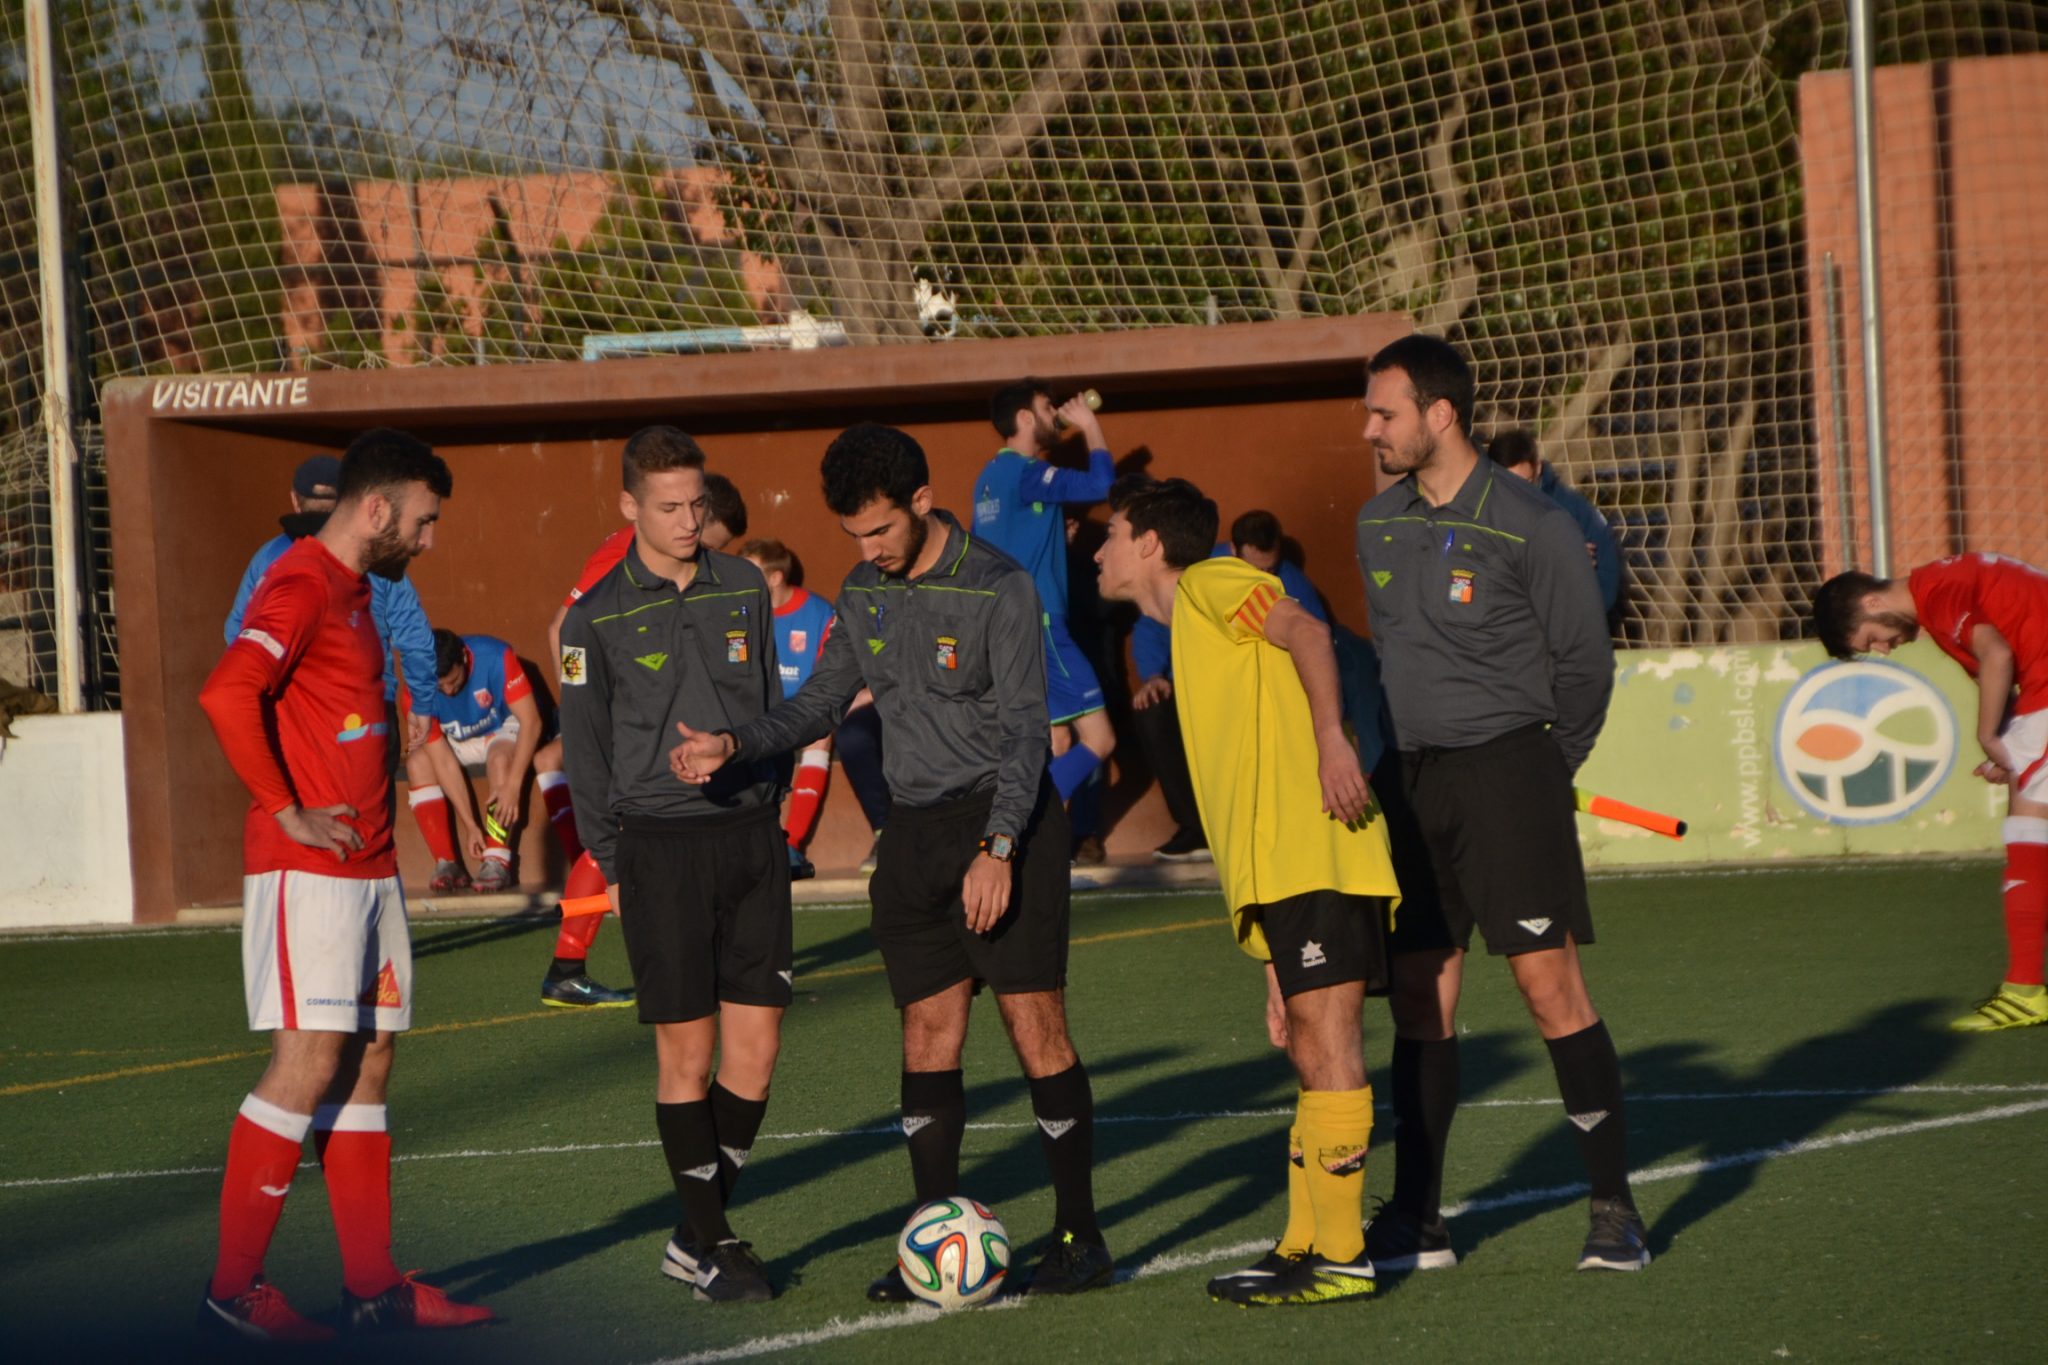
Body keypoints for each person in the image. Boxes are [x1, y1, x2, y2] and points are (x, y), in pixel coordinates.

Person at [672, 423, 1113, 1300]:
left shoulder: (999, 586)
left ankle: (1079, 1237)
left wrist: (999, 848)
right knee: (926, 1035)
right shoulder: (863, 590)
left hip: (1004, 825)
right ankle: (931, 1244)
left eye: (880, 529)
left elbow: (1028, 732)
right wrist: (737, 741)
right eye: (853, 535)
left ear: (922, 500)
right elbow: (820, 703)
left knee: (1036, 1028)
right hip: (913, 838)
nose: (867, 549)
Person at [1354, 334, 1646, 1273]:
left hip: (1512, 775)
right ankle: (1418, 1218)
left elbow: (1585, 666)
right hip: (1411, 784)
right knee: (1418, 995)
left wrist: (1543, 770)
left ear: (1440, 414)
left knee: (1547, 985)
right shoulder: (1376, 523)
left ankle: (1614, 1209)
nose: (1371, 431)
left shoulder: (1534, 524)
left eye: (1385, 413)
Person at [194, 428, 492, 1341]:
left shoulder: (365, 590)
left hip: (369, 865)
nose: (429, 539)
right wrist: (285, 809)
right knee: (310, 1059)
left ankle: (373, 1287)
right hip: (309, 870)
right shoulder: (301, 583)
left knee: (369, 1057)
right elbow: (227, 692)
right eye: (423, 520)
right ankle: (233, 1290)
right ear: (376, 508)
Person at [1094, 477, 1399, 1307]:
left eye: (1111, 533)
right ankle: (1303, 1244)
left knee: (1330, 1047)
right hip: (1282, 874)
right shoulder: (1188, 627)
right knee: (1307, 1049)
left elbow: (1308, 629)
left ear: (1149, 543)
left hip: (1317, 851)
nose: (1098, 551)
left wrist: (1332, 740)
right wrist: (1268, 957)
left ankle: (1343, 1256)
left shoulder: (1211, 581)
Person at [557, 426, 791, 1304]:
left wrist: (767, 797)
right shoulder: (592, 618)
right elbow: (585, 757)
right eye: (668, 506)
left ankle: (694, 1233)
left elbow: (770, 706)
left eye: (697, 503)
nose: (689, 520)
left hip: (752, 839)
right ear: (629, 506)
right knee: (687, 1054)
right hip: (658, 851)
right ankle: (716, 1243)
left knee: (756, 1052)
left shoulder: (745, 586)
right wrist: (615, 868)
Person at [531, 472, 758, 1015]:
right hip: (628, 731)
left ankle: (577, 965)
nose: (707, 558)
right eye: (710, 544)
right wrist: (586, 708)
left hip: (657, 732)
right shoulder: (627, 554)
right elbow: (564, 629)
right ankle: (567, 966)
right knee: (613, 836)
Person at [1814, 557, 2048, 1030]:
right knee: (2030, 832)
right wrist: (2006, 747)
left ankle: (2025, 990)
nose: (1884, 649)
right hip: (2038, 695)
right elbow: (1998, 671)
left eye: (1872, 639)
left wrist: (1988, 737)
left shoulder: (1938, 595)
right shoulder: (1942, 586)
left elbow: (1997, 656)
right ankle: (2024, 988)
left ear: (1872, 601)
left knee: (2027, 833)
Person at [398, 629, 633, 1007]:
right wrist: (470, 825)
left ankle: (497, 859)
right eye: (439, 687)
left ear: (465, 658)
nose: (448, 691)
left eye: (453, 681)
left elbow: (532, 722)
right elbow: (441, 758)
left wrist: (510, 786)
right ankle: (447, 862)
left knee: (501, 758)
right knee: (418, 761)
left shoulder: (495, 656)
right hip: (457, 743)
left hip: (502, 732)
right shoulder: (417, 685)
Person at [226, 453, 451, 751]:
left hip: (293, 713)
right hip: (367, 707)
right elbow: (414, 636)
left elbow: (237, 632)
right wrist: (421, 704)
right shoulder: (378, 554)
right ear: (349, 499)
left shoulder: (268, 558)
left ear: (295, 500)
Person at [973, 379, 1118, 810]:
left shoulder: (987, 479)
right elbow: (1103, 484)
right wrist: (1089, 424)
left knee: (1056, 739)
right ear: (1024, 418)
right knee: (1100, 739)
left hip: (1005, 627)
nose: (1054, 413)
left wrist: (1054, 540)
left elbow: (989, 550)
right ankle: (1024, 817)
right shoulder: (1029, 472)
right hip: (1042, 625)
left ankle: (1039, 841)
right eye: (1046, 406)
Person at [736, 537, 888, 881]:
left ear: (775, 577)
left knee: (819, 736)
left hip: (808, 711)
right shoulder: (742, 613)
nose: (743, 581)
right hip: (762, 711)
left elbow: (834, 681)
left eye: (751, 572)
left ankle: (792, 844)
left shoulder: (819, 614)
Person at [1489, 428, 1622, 615]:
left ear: (1537, 468)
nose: (1518, 492)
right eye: (1509, 486)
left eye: (1526, 483)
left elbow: (1607, 576)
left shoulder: (1572, 510)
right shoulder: (1483, 513)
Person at [1228, 509, 1331, 625]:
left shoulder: (1297, 587)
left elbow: (1319, 631)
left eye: (1271, 569)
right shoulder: (1214, 564)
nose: (1264, 578)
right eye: (1255, 570)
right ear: (1233, 550)